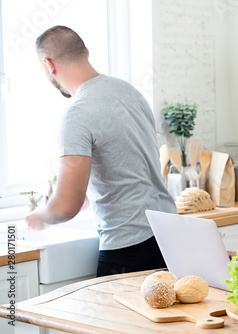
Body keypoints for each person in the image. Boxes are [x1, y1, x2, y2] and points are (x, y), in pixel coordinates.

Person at [26, 25, 177, 277]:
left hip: (129, 246)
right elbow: (124, 167)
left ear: (49, 65)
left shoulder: (78, 114)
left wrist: (40, 216)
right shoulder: (129, 91)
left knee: (117, 318)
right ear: (85, 51)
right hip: (169, 235)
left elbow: (66, 207)